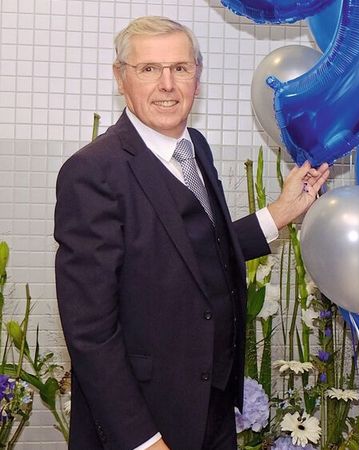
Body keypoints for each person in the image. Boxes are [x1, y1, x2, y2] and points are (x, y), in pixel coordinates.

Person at [54, 16, 329, 450]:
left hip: (213, 408)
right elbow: (89, 331)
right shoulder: (93, 172)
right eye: (149, 69)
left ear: (196, 78)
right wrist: (142, 440)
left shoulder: (195, 148)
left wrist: (279, 214)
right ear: (120, 77)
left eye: (180, 68)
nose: (167, 84)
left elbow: (194, 254)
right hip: (145, 421)